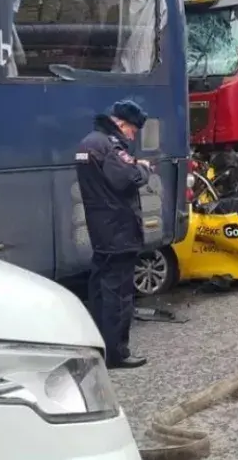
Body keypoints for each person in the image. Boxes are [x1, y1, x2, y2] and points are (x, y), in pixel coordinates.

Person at [75, 99, 154, 369]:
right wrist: (143, 167)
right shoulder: (109, 145)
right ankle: (117, 353)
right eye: (132, 130)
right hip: (119, 230)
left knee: (99, 291)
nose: (132, 136)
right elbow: (127, 179)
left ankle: (97, 346)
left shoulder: (88, 142)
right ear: (121, 123)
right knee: (119, 295)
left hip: (100, 229)